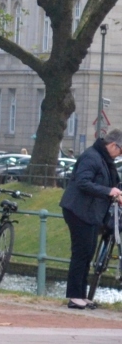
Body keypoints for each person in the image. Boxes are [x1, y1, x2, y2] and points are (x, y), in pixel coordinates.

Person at [59, 128, 122, 309]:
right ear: (112, 145)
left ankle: (81, 294)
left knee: (88, 252)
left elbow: (110, 182)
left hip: (91, 212)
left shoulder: (103, 159)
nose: (119, 156)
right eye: (120, 151)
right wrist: (108, 191)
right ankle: (74, 295)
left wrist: (115, 192)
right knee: (81, 252)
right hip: (78, 210)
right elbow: (83, 182)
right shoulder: (91, 157)